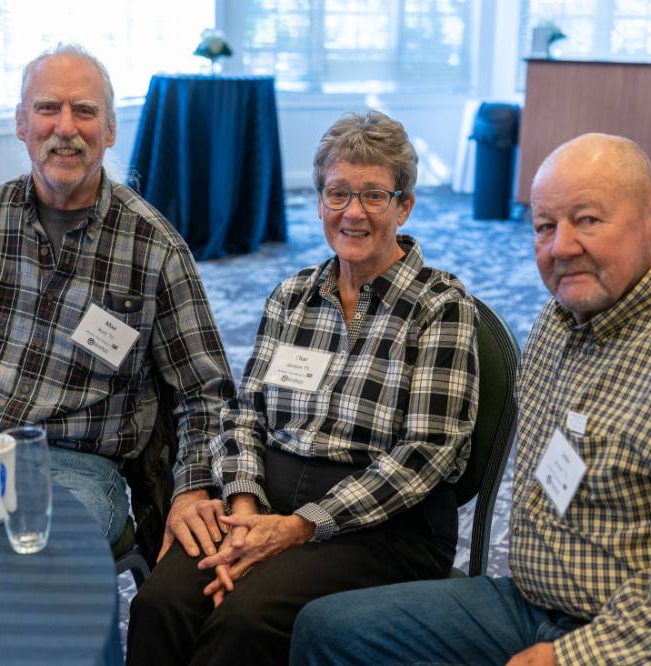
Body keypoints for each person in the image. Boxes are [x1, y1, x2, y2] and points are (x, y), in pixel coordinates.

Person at [291, 133, 651, 666]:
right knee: (329, 630)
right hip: (532, 603)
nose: (562, 247)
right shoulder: (558, 319)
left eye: (588, 220)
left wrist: (572, 657)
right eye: (545, 226)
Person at [125, 110, 480, 666]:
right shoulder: (291, 296)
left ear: (404, 205)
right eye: (337, 194)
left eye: (373, 196)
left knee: (244, 619)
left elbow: (426, 455)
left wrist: (298, 528)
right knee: (160, 602)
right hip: (268, 497)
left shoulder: (441, 307)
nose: (353, 213)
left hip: (384, 522)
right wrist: (245, 509)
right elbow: (245, 415)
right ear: (319, 203)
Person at [0, 44, 235, 552]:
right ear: (21, 122)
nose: (65, 128)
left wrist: (192, 489)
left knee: (28, 559)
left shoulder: (154, 248)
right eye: (48, 107)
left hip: (73, 465)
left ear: (111, 129)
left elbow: (205, 391)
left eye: (85, 111)